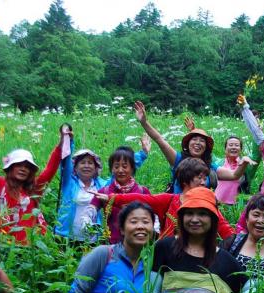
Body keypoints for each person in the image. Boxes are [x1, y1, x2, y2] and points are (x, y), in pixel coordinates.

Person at [151, 187, 245, 293]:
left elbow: (252, 287)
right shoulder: (165, 247)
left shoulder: (223, 259)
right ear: (181, 217)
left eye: (202, 214)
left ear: (213, 219)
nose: (195, 219)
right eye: (189, 213)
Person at [66, 202, 161, 293]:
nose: (140, 226)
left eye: (146, 222)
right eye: (133, 221)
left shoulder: (150, 268)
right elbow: (77, 292)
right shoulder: (104, 254)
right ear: (122, 229)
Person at [93, 158, 234, 240]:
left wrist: (239, 241)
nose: (204, 182)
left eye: (205, 178)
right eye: (199, 178)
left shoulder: (207, 202)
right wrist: (112, 197)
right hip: (168, 256)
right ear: (185, 180)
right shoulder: (170, 200)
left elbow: (223, 227)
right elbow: (142, 199)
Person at [0, 124, 61, 244]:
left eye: (27, 167)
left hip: (33, 248)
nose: (23, 169)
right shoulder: (0, 186)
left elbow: (50, 170)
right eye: (19, 165)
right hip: (6, 246)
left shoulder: (35, 189)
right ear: (10, 167)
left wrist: (61, 145)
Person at [55, 124, 151, 241]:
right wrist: (68, 142)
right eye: (82, 163)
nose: (86, 166)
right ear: (75, 167)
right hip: (65, 238)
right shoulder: (69, 183)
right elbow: (65, 161)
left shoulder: (102, 186)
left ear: (96, 168)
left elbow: (122, 168)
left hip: (92, 240)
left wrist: (143, 154)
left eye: (90, 163)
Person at [134, 101, 219, 194]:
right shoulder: (178, 160)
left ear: (206, 147)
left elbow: (232, 175)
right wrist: (144, 122)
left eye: (202, 141)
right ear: (188, 144)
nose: (198, 143)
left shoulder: (211, 166)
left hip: (202, 207)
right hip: (178, 207)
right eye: (194, 139)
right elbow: (159, 139)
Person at [96, 147, 153, 243]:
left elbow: (152, 215)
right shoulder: (104, 191)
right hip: (110, 245)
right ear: (111, 169)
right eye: (116, 166)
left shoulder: (143, 191)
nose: (120, 170)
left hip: (138, 245)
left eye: (125, 166)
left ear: (132, 168)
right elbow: (90, 209)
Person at [214, 136, 256, 205]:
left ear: (241, 149)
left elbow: (256, 155)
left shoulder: (246, 164)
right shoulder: (218, 163)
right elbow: (206, 155)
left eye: (237, 145)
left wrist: (256, 134)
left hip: (238, 207)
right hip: (218, 204)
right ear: (225, 149)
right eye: (230, 145)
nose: (233, 147)